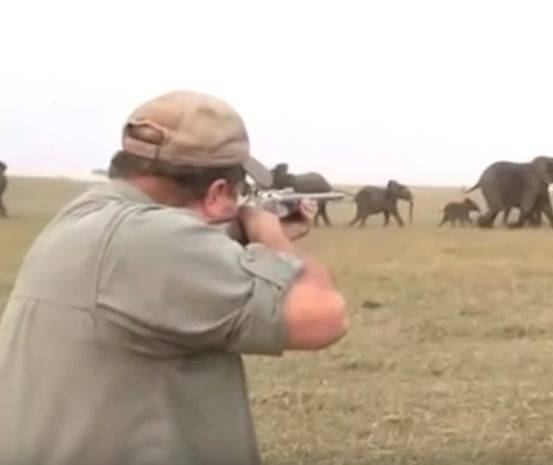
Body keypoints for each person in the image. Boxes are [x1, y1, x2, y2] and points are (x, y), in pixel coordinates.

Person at [0, 91, 349, 465]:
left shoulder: (86, 214)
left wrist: (249, 235)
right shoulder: (150, 241)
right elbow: (325, 316)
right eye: (238, 192)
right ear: (217, 194)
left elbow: (182, 251)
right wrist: (269, 233)